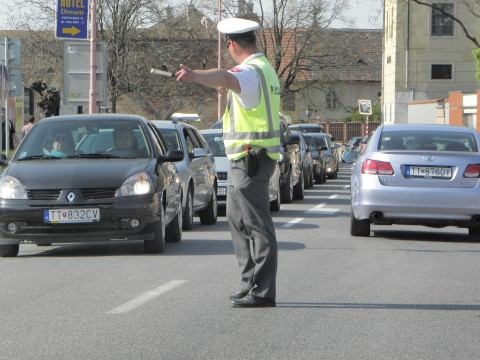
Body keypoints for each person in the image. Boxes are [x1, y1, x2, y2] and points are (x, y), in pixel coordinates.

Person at [176, 17, 281, 308]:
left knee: (257, 225)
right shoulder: (265, 70)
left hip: (251, 159)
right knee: (237, 220)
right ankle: (250, 283)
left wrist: (194, 75)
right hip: (248, 159)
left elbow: (225, 77)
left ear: (233, 45)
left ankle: (262, 291)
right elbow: (232, 86)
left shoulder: (249, 71)